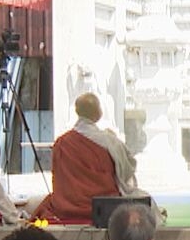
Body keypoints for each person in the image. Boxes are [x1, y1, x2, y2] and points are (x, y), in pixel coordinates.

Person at [33, 93, 139, 225]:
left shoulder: (62, 142)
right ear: (98, 113)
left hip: (66, 206)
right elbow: (128, 168)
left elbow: (58, 180)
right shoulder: (108, 141)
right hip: (103, 206)